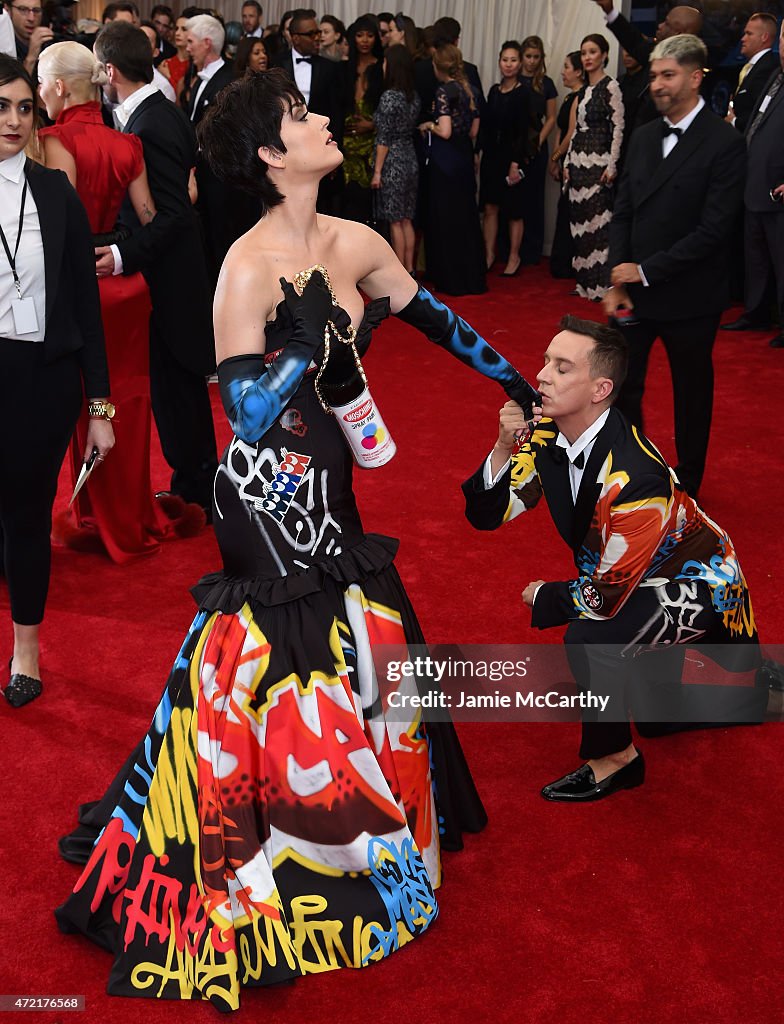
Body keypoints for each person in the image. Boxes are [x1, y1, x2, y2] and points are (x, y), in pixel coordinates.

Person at [55, 67, 541, 1007]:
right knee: (295, 660)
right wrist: (299, 353)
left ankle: (372, 832)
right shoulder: (243, 265)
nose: (324, 120)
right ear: (274, 156)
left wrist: (517, 384)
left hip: (334, 481)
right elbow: (240, 417)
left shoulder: (356, 240)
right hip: (265, 497)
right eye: (302, 115)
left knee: (364, 636)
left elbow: (437, 320)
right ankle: (300, 855)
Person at [462, 314, 765, 801]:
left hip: (701, 585)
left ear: (600, 389)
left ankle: (615, 759)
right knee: (658, 718)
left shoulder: (635, 478)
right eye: (545, 361)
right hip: (636, 578)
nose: (541, 375)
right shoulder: (546, 437)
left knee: (589, 634)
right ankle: (746, 695)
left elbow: (602, 599)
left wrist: (547, 595)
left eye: (562, 368)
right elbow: (488, 515)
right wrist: (501, 448)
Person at [0, 55, 113, 707]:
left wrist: (100, 406)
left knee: (24, 519)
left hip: (41, 383)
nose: (15, 119)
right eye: (2, 106)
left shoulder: (55, 194)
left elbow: (85, 306)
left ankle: (26, 652)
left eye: (24, 106)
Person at [605, 34, 745, 498]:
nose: (658, 85)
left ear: (696, 76)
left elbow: (714, 231)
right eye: (654, 76)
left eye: (668, 75)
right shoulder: (644, 136)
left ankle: (689, 483)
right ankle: (637, 472)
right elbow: (622, 210)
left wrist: (644, 270)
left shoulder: (725, 142)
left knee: (691, 395)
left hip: (692, 296)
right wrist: (618, 275)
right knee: (622, 389)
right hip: (634, 294)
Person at [94, 21, 218, 515]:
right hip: (170, 277)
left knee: (179, 392)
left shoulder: (150, 124)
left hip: (171, 281)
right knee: (176, 392)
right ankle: (194, 487)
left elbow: (171, 216)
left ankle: (198, 491)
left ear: (109, 70)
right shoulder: (151, 112)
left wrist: (122, 255)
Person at [721, 19, 784, 348]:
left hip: (778, 189)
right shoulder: (776, 77)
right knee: (756, 256)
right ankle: (756, 312)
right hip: (755, 182)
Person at [419, 43, 485, 295]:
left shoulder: (443, 92)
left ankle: (451, 279)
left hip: (446, 162)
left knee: (446, 219)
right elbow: (473, 131)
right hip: (464, 158)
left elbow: (445, 131)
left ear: (438, 67)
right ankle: (471, 277)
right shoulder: (472, 91)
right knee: (466, 218)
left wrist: (428, 125)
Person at [563, 33, 624, 300]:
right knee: (579, 226)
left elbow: (618, 128)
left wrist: (612, 165)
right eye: (584, 52)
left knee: (599, 226)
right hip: (576, 164)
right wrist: (566, 161)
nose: (587, 57)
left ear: (604, 56)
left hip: (598, 165)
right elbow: (576, 130)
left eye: (592, 52)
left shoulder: (611, 87)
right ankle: (584, 284)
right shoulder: (584, 91)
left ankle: (601, 287)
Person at [479, 40, 536, 277]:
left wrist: (516, 162)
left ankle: (514, 256)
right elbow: (486, 127)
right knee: (490, 207)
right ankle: (489, 253)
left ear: (520, 62)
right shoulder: (493, 90)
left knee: (514, 211)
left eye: (513, 60)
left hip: (513, 158)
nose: (509, 65)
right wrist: (478, 153)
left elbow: (525, 131)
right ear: (499, 62)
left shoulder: (524, 92)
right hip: (491, 157)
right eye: (505, 60)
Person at [371, 42, 420, 273]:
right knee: (407, 219)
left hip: (393, 163)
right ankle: (409, 269)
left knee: (395, 221)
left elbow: (384, 138)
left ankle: (399, 272)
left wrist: (378, 171)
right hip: (410, 158)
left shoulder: (390, 97)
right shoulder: (414, 97)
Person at [517, 35, 557, 265]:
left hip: (538, 143)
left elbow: (551, 118)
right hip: (515, 144)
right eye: (528, 56)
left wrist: (538, 141)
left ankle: (532, 250)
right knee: (515, 200)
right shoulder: (514, 79)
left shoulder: (546, 83)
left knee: (534, 199)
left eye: (536, 57)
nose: (531, 61)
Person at [548, 50, 583, 279]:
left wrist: (555, 157)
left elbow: (571, 133)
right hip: (563, 158)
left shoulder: (580, 97)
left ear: (579, 72)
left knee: (570, 213)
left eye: (567, 67)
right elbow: (561, 129)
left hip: (575, 161)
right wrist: (555, 157)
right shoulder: (570, 97)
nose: (563, 72)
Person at [725, 13, 778, 134]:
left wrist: (733, 121)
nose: (743, 38)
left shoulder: (767, 69)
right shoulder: (752, 67)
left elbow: (760, 114)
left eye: (749, 34)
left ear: (764, 37)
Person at [2, 0, 52, 74]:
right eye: (23, 9)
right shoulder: (3, 47)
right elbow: (13, 85)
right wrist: (31, 59)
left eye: (36, 10)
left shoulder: (49, 43)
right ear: (7, 10)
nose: (31, 18)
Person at [158, 12, 190, 101]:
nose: (177, 33)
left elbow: (185, 100)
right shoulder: (165, 64)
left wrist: (168, 77)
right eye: (176, 28)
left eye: (184, 29)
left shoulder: (194, 66)